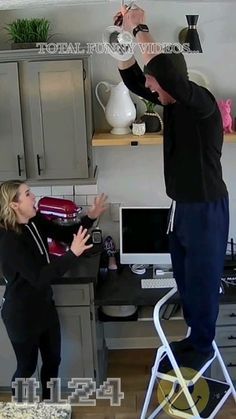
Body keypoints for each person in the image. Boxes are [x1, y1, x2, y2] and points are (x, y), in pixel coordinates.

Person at [115, 5, 229, 371]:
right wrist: (121, 42)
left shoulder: (202, 105)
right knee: (184, 278)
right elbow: (137, 80)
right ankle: (194, 339)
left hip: (205, 207)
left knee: (202, 279)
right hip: (182, 205)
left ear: (170, 81)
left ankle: (201, 348)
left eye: (155, 82)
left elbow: (161, 71)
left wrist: (140, 27)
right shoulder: (173, 105)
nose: (149, 86)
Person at [0, 180, 107, 400]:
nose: (33, 197)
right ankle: (18, 409)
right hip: (21, 315)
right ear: (14, 205)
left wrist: (91, 217)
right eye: (27, 194)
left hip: (44, 307)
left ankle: (48, 404)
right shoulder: (9, 240)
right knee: (26, 368)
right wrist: (72, 255)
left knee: (52, 360)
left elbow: (67, 235)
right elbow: (38, 278)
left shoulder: (34, 220)